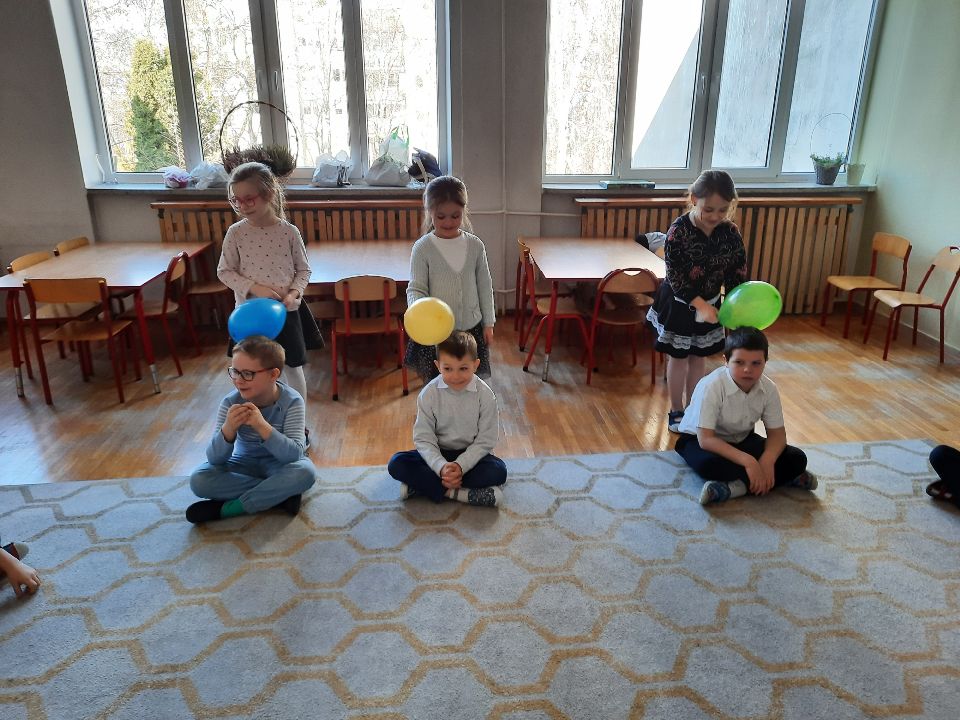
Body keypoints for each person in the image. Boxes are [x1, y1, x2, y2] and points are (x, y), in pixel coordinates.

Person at [646, 170, 748, 432]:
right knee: (679, 358)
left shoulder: (730, 233)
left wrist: (733, 307)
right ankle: (676, 410)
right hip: (680, 303)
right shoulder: (678, 231)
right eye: (709, 209)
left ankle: (693, 408)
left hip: (711, 302)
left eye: (723, 210)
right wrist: (701, 305)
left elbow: (736, 272)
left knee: (698, 357)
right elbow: (676, 277)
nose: (715, 216)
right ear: (694, 200)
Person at [218, 161, 321, 412]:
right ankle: (254, 418)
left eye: (249, 199)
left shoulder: (289, 232)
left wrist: (294, 293)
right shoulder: (236, 233)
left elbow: (303, 270)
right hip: (249, 317)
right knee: (249, 370)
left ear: (269, 194)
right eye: (236, 200)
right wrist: (255, 288)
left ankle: (298, 420)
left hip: (286, 313)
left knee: (293, 368)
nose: (242, 206)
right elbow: (224, 271)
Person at [674, 326, 818, 505]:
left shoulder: (769, 388)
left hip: (741, 438)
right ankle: (784, 479)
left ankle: (735, 487)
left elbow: (778, 435)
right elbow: (706, 440)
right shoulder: (711, 386)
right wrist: (749, 462)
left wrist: (767, 462)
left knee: (797, 458)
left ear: (765, 362)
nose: (747, 369)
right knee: (708, 465)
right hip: (699, 440)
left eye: (756, 363)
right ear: (726, 361)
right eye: (739, 362)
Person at [186, 335, 317, 523]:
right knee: (199, 480)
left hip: (280, 465)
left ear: (273, 375)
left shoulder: (293, 401)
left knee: (305, 472)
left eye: (247, 374)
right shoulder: (230, 402)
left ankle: (230, 508)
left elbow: (293, 455)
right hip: (244, 463)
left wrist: (262, 426)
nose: (239, 380)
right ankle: (279, 495)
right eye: (235, 372)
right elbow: (215, 459)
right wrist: (228, 430)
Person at [388, 331, 506, 507]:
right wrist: (441, 467)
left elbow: (486, 439)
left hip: (469, 454)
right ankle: (458, 493)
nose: (455, 376)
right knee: (396, 464)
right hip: (438, 453)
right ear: (438, 366)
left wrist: (460, 466)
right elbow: (424, 438)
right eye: (448, 369)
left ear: (475, 365)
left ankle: (423, 487)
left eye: (463, 368)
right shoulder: (429, 394)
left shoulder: (486, 395)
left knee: (498, 472)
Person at [405, 176, 496, 382]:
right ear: (430, 212)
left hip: (471, 330)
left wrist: (489, 323)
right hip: (437, 334)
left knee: (468, 382)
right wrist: (419, 314)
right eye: (441, 216)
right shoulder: (423, 248)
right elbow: (416, 289)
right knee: (437, 385)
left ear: (464, 211)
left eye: (455, 216)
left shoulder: (475, 246)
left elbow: (484, 286)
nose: (448, 222)